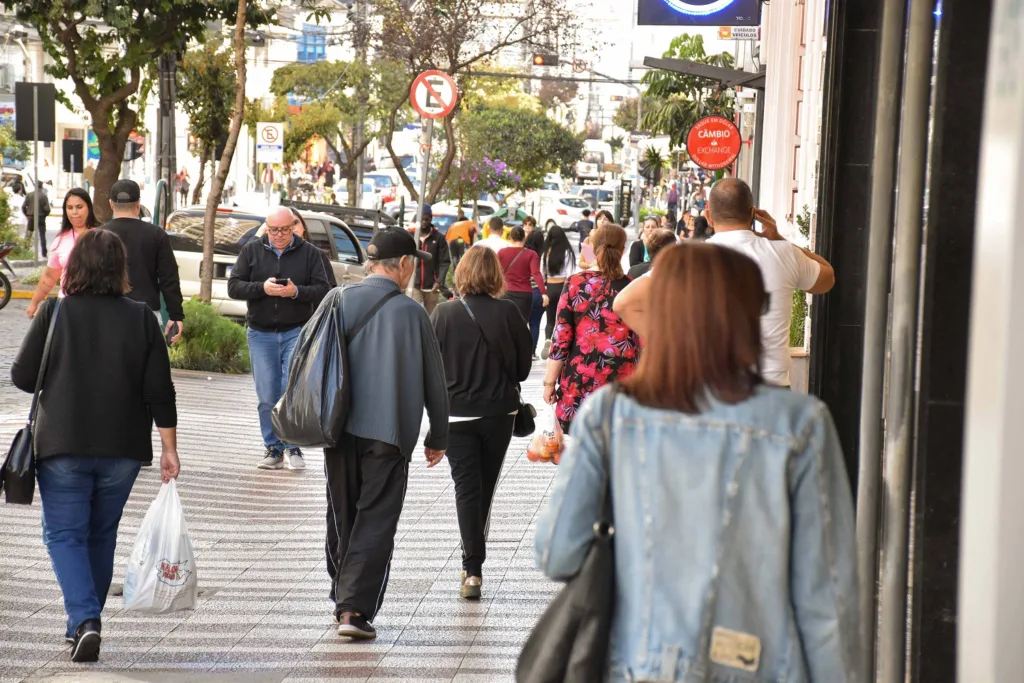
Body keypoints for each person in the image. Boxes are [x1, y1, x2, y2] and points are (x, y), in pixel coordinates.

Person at [541, 243, 861, 683]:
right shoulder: (799, 425)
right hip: (757, 662)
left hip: (635, 660)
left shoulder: (611, 415)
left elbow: (557, 554)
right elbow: (827, 594)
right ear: (750, 316)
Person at [11, 229, 180, 663]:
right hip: (122, 448)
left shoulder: (54, 313)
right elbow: (160, 390)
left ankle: (86, 621)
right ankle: (81, 624)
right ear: (119, 269)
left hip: (62, 444)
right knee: (101, 534)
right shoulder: (142, 317)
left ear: (75, 268)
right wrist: (169, 449)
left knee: (65, 535)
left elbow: (23, 377)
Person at [324, 228, 449, 640]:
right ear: (406, 265)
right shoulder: (413, 313)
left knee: (343, 514)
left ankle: (342, 594)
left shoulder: (337, 301)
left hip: (338, 430)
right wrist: (438, 436)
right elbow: (436, 383)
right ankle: (353, 610)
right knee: (375, 519)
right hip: (389, 434)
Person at [429, 246, 532, 600]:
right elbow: (522, 370)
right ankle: (473, 566)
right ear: (496, 276)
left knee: (466, 488)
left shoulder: (442, 314)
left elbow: (430, 370)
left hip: (456, 415)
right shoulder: (509, 312)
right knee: (485, 488)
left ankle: (471, 568)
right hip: (498, 415)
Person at [227, 206, 332, 470]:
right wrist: (262, 288)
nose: (279, 235)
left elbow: (325, 289)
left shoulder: (310, 254)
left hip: (296, 331)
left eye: (284, 229)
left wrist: (296, 292)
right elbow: (234, 286)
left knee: (291, 390)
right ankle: (273, 447)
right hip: (260, 333)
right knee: (267, 395)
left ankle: (293, 445)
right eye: (273, 230)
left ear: (294, 226)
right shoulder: (251, 251)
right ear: (266, 227)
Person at [706, 178, 836, 387]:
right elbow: (827, 278)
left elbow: (632, 301)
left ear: (708, 217)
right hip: (772, 388)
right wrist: (780, 240)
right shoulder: (783, 253)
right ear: (753, 215)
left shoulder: (688, 258)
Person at [543, 224, 639, 433]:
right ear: (623, 250)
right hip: (623, 380)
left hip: (581, 378)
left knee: (583, 448)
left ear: (593, 248)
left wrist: (549, 382)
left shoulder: (576, 283)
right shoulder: (632, 286)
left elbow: (561, 337)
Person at [103, 179, 185, 344]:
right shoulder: (156, 235)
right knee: (143, 367)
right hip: (146, 314)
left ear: (111, 204)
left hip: (106, 314)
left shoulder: (98, 235)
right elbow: (169, 277)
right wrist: (175, 315)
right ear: (138, 204)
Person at [26, 188, 99, 318]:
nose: (75, 212)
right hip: (67, 308)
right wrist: (34, 303)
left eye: (79, 207)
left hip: (97, 307)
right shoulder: (60, 240)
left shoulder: (102, 236)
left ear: (89, 207)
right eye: (70, 208)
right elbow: (49, 277)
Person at [498, 226, 548, 329]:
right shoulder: (531, 254)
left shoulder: (501, 252)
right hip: (524, 295)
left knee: (505, 326)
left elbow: (496, 272)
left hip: (505, 292)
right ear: (524, 238)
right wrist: (543, 293)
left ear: (510, 238)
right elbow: (536, 273)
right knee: (521, 327)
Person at [539, 225, 576, 360]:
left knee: (550, 319)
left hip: (550, 287)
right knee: (563, 318)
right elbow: (571, 273)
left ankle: (548, 338)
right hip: (563, 287)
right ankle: (560, 345)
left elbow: (542, 273)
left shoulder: (545, 254)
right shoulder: (567, 252)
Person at [409, 204, 451, 314]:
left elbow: (444, 262)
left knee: (431, 316)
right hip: (414, 284)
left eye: (426, 219)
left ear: (431, 219)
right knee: (415, 312)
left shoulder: (439, 238)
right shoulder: (411, 236)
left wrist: (439, 281)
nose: (424, 222)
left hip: (432, 285)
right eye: (421, 219)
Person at [522, 216, 546, 351]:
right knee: (535, 323)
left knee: (522, 322)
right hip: (539, 292)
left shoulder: (524, 254)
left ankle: (523, 350)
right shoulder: (545, 255)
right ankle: (532, 350)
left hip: (523, 290)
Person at [446, 209, 477, 285]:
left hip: (452, 241)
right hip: (461, 240)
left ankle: (455, 277)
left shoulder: (454, 224)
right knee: (463, 258)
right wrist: (470, 243)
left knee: (454, 258)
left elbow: (447, 236)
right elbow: (472, 229)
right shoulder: (469, 223)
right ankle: (463, 277)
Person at [23, 182, 52, 258]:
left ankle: (25, 250)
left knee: (28, 235)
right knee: (42, 235)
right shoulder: (44, 196)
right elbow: (47, 209)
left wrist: (26, 214)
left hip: (31, 217)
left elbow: (23, 206)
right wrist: (45, 215)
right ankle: (44, 252)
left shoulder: (29, 195)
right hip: (41, 217)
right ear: (41, 187)